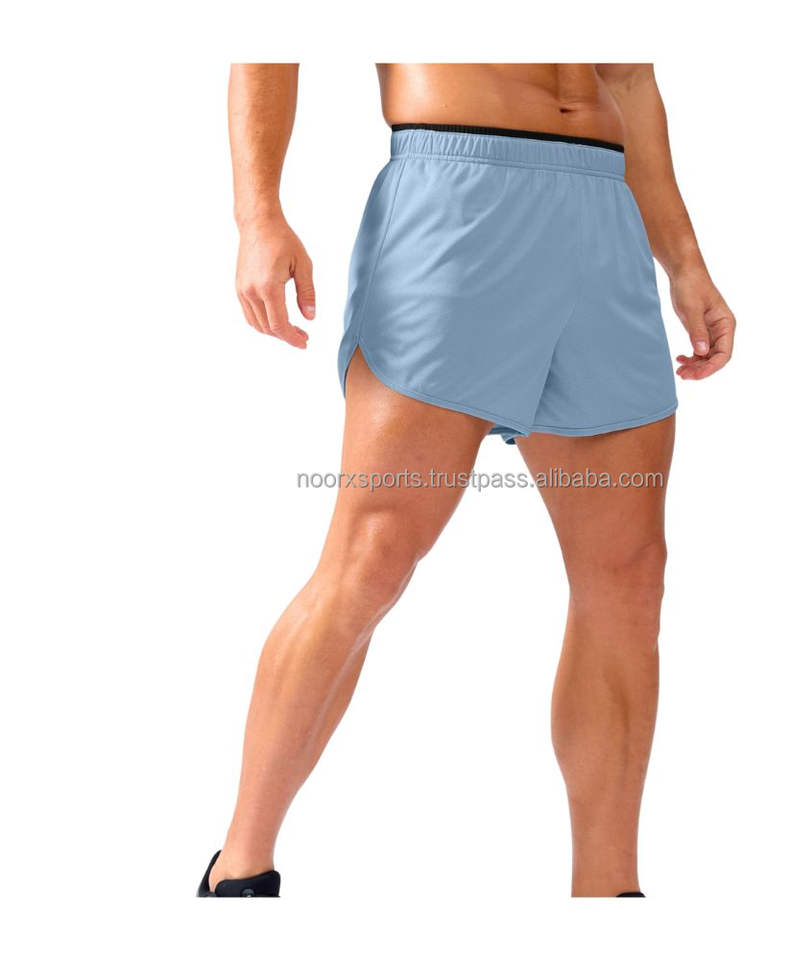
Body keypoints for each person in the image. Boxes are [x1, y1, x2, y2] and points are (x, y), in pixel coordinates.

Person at [198, 63, 735, 898]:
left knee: (629, 580)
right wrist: (258, 213)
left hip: (604, 207)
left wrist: (686, 262)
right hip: (458, 190)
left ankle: (610, 897)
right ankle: (239, 875)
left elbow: (629, 76)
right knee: (372, 557)